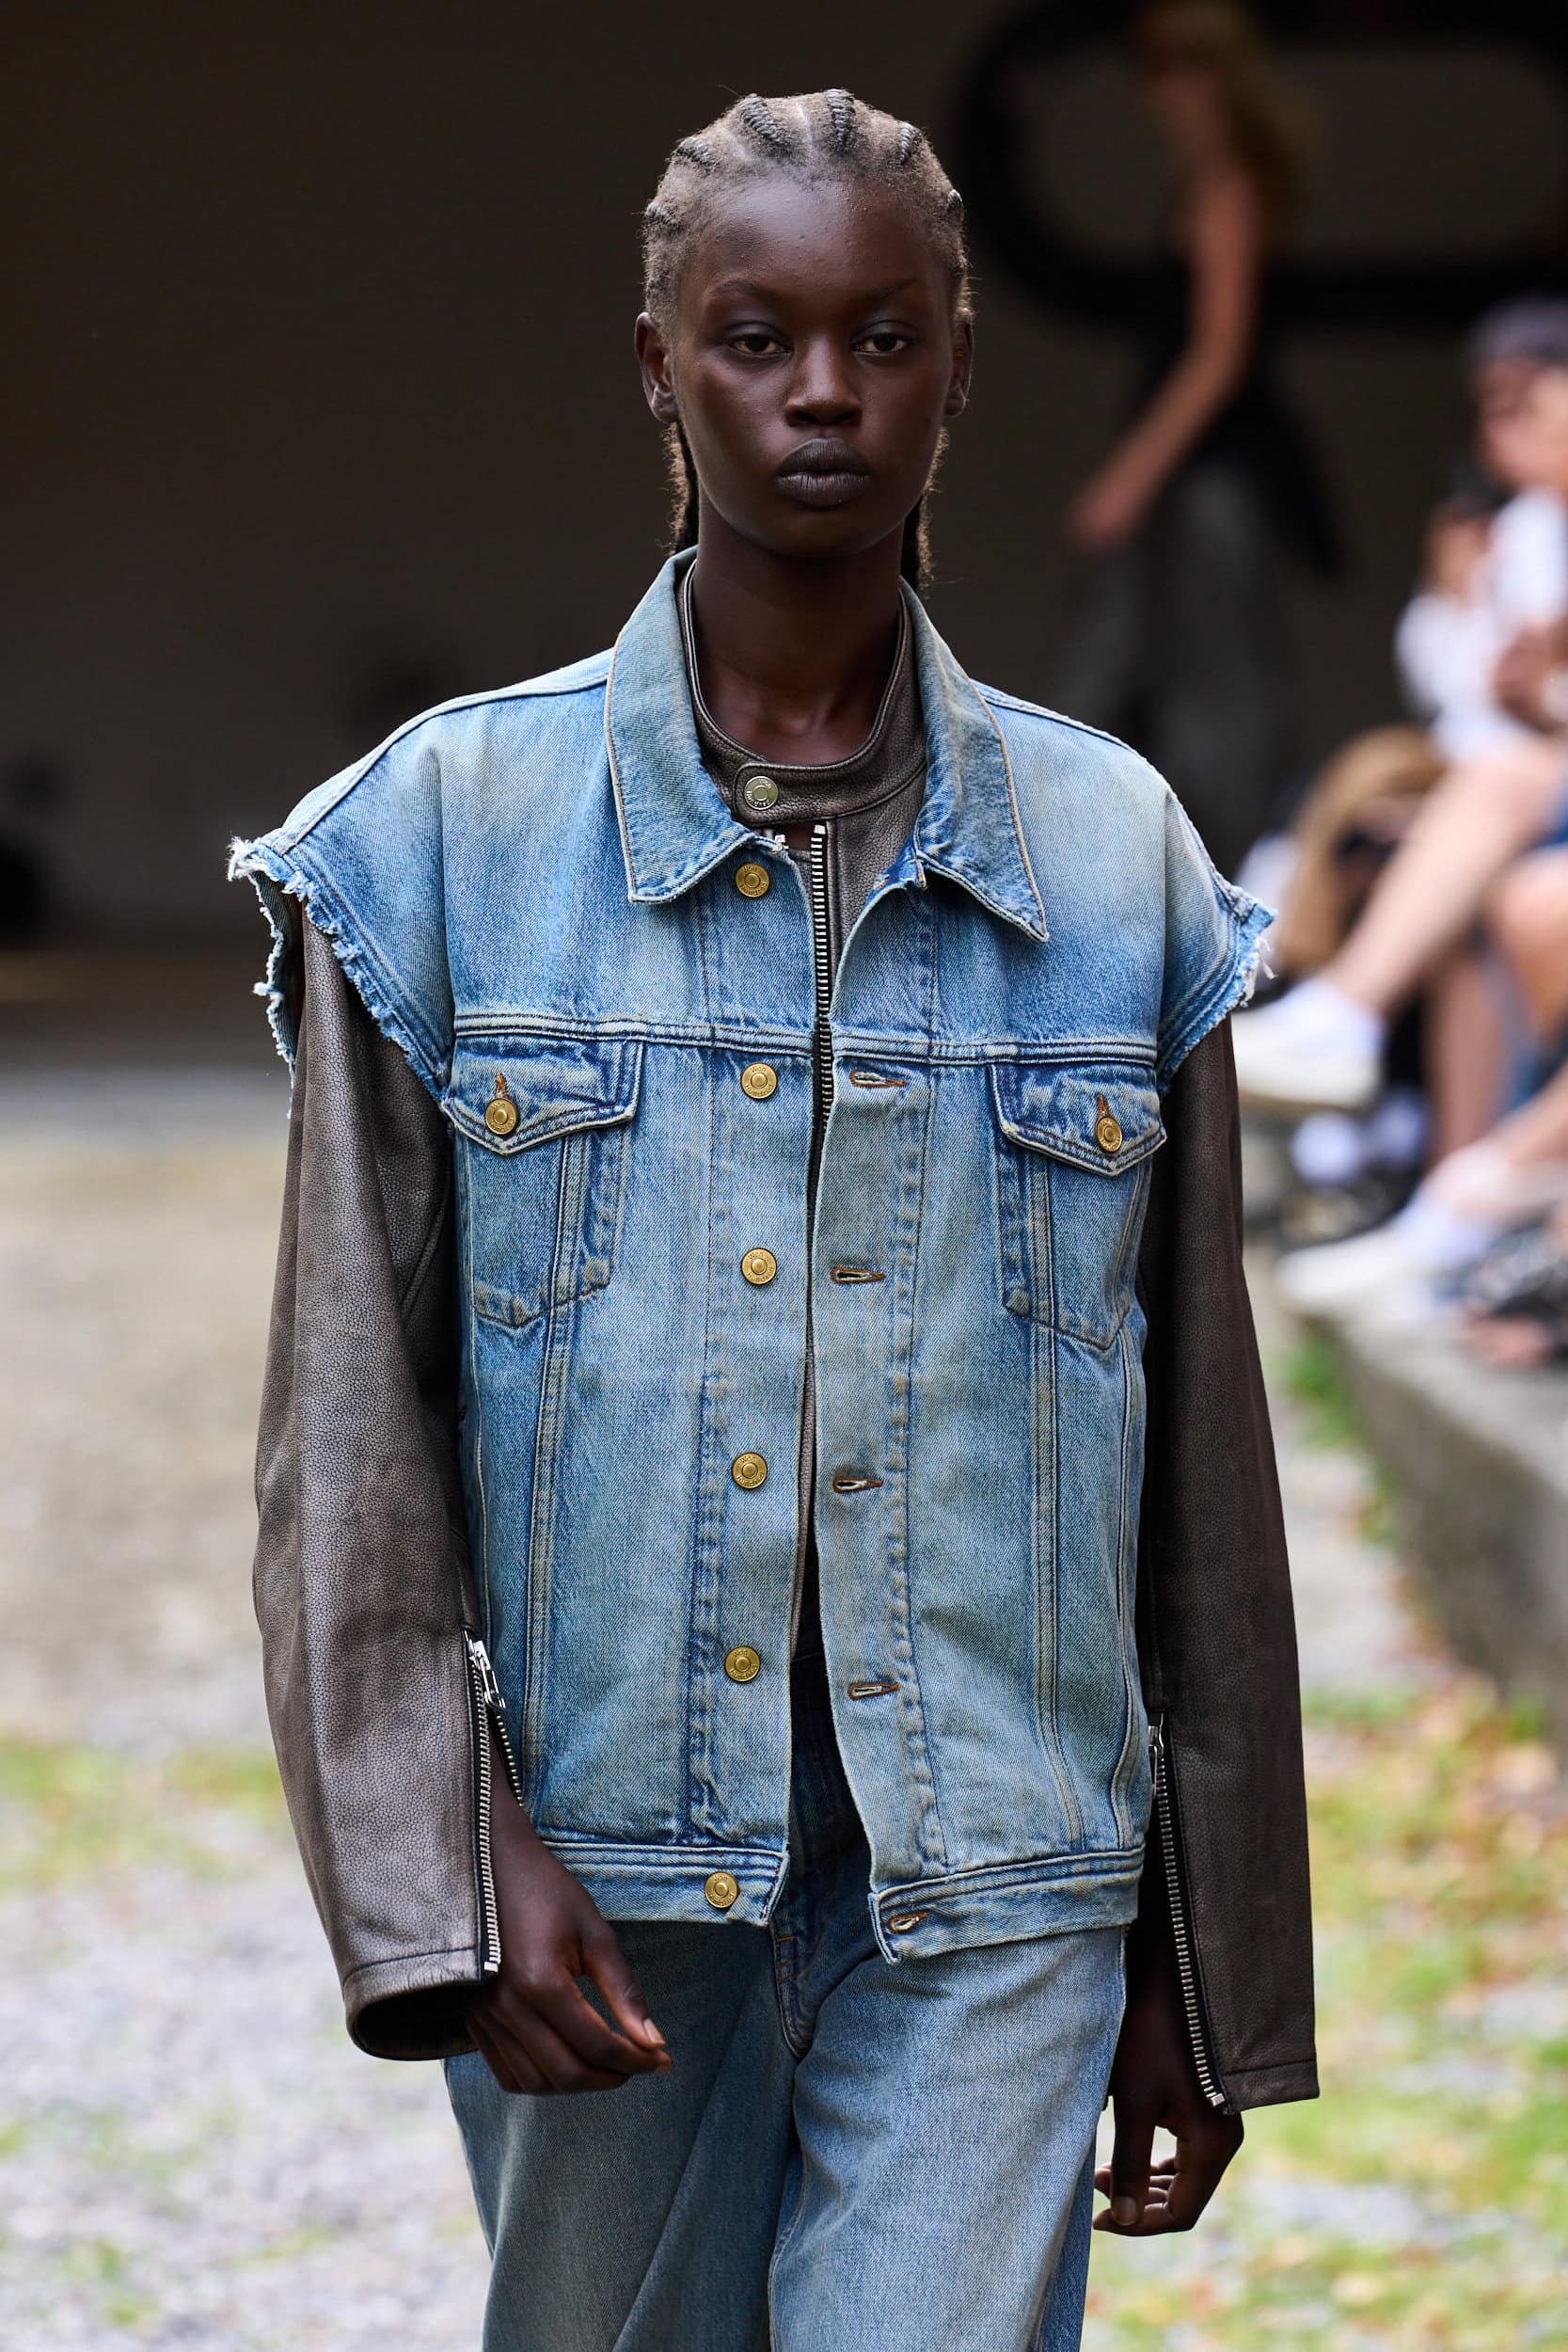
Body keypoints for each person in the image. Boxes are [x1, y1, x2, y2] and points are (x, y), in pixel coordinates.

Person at [231, 89, 1314, 2352]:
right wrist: (452, 1857)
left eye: (881, 337)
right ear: (660, 364)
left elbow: (1200, 1479)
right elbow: (347, 1441)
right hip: (607, 1875)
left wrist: (1199, 1959)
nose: (822, 392)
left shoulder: (1110, 859)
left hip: (1002, 1875)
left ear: (955, 367)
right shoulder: (441, 838)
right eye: (756, 337)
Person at [1054, 0, 1337, 880]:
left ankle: (1231, 887)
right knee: (1129, 669)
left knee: (1219, 697)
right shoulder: (1208, 180)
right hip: (1196, 479)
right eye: (1152, 67)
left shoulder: (1230, 185)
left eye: (1182, 65)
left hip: (1212, 478)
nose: (1163, 90)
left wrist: (1128, 477)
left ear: (1222, 73)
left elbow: (1220, 354)